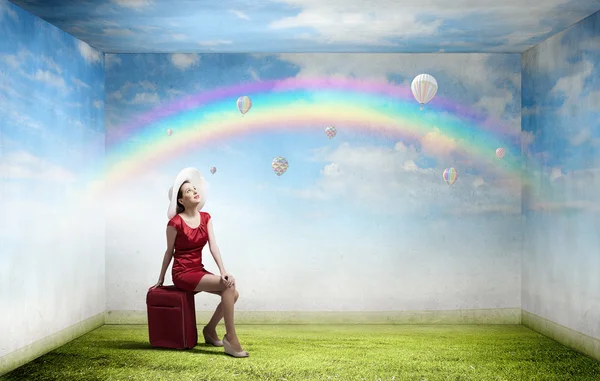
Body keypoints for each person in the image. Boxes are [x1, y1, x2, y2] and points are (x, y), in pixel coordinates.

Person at [151, 167, 249, 358]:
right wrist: (161, 278)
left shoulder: (206, 218)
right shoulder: (175, 223)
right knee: (229, 287)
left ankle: (210, 330)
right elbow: (169, 252)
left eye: (194, 189)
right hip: (183, 273)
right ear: (181, 200)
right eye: (188, 191)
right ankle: (231, 337)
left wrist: (223, 271)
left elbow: (214, 246)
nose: (194, 192)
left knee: (232, 292)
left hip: (198, 270)